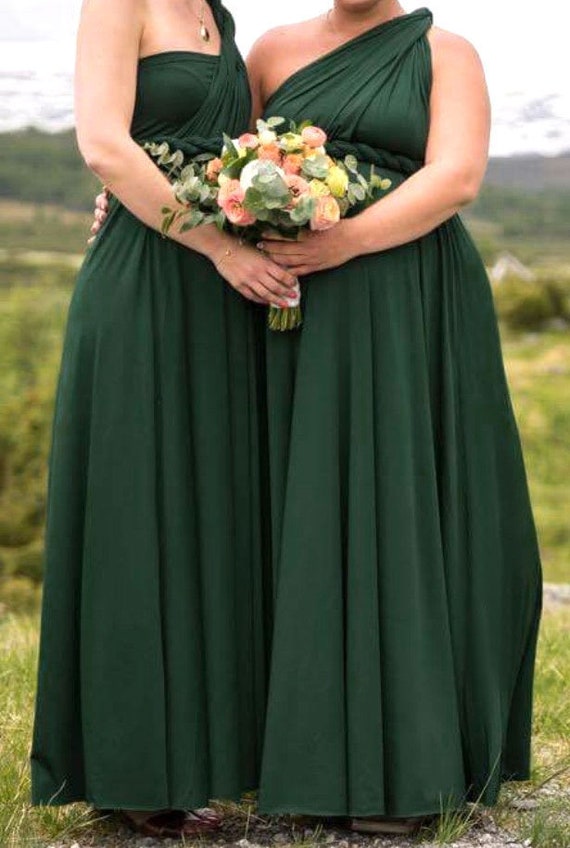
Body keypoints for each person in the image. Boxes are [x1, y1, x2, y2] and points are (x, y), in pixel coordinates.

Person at [246, 0, 543, 834]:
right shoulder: (270, 50)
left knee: (402, 508)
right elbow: (223, 160)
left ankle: (411, 762)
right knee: (305, 512)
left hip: (412, 305)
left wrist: (343, 243)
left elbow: (456, 179)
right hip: (295, 311)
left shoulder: (447, 53)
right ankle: (302, 751)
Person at [30, 0, 298, 838]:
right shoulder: (120, 3)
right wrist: (218, 245)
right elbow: (106, 144)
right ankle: (130, 769)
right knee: (136, 507)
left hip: (219, 299)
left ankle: (200, 758)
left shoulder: (220, 15)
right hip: (151, 277)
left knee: (206, 517)